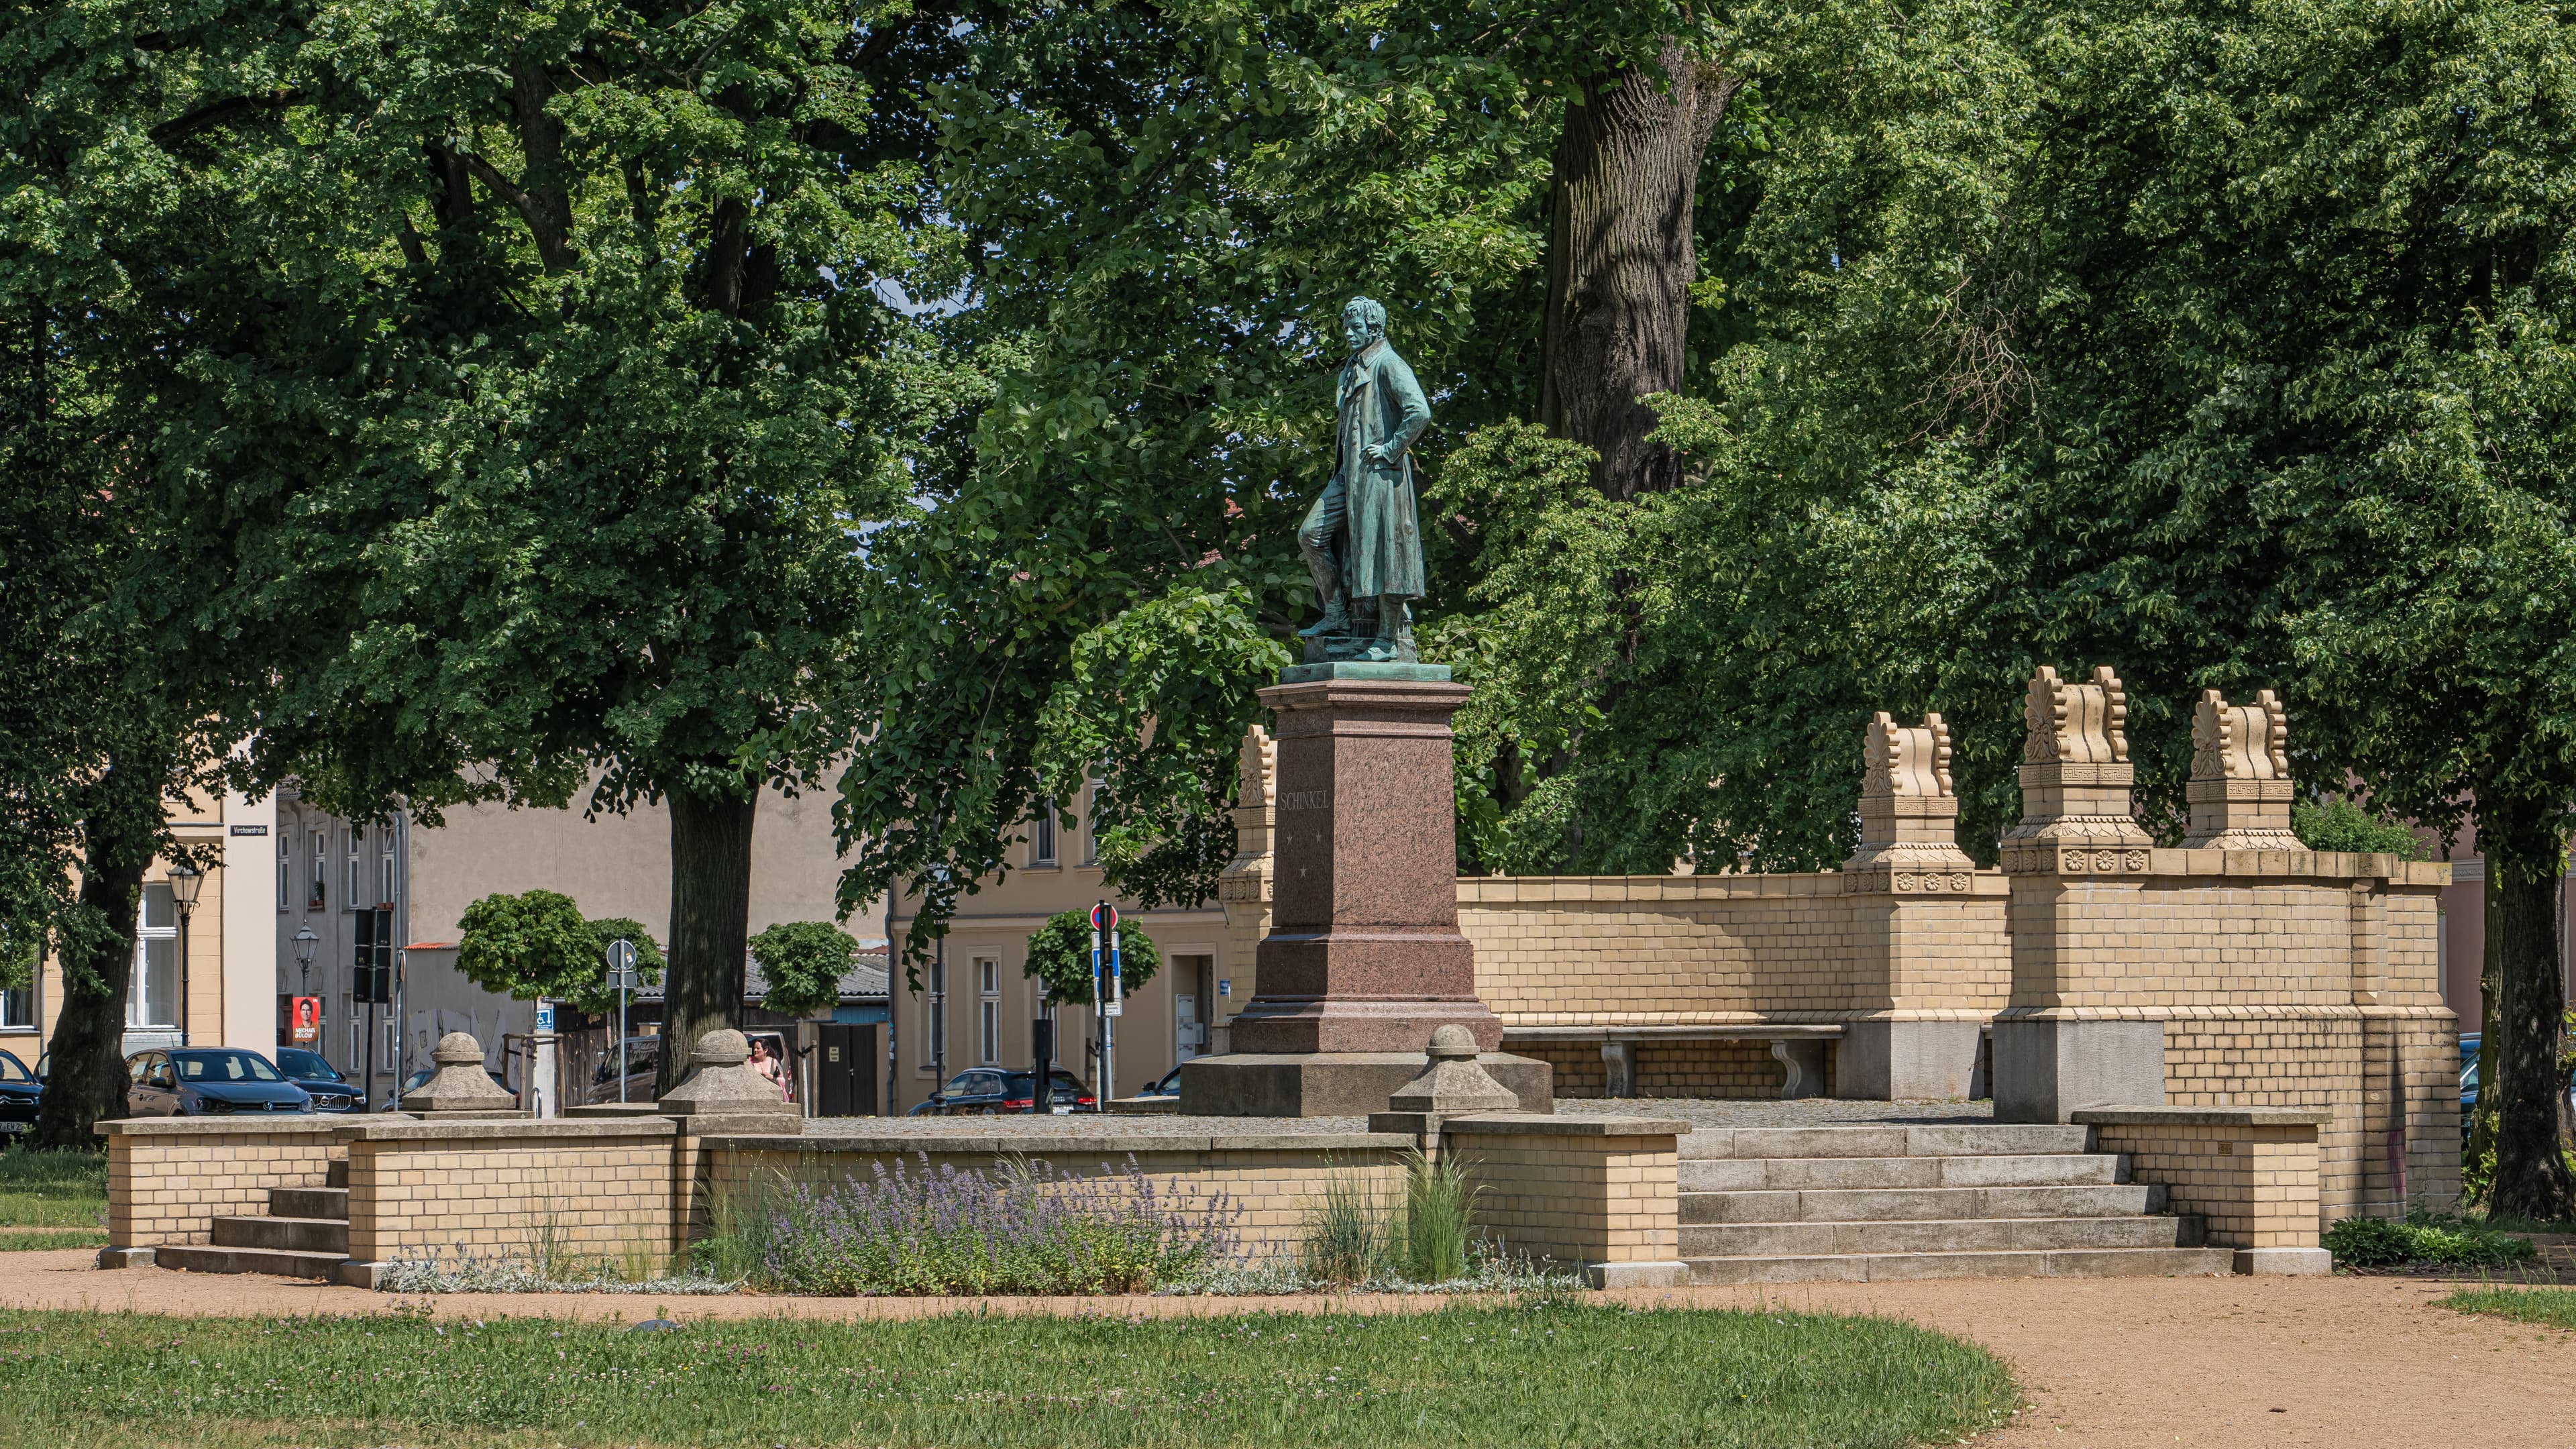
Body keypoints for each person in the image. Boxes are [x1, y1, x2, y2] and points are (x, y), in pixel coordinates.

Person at [749, 1036, 790, 1102]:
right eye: (754, 1048)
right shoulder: (750, 1062)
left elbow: (782, 1080)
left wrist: (772, 1077)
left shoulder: (774, 1062)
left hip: (771, 1097)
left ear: (765, 1050)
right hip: (755, 1097)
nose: (755, 1050)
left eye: (758, 1048)